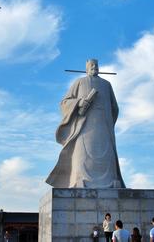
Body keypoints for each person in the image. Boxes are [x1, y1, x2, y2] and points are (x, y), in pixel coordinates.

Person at [46, 59, 126, 188]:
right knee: (82, 153)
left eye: (96, 65)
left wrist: (108, 121)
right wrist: (79, 103)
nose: (94, 67)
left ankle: (111, 180)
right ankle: (80, 179)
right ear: (87, 68)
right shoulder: (79, 82)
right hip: (85, 126)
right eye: (91, 65)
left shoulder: (107, 84)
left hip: (103, 126)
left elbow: (114, 108)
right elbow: (65, 102)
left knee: (106, 154)